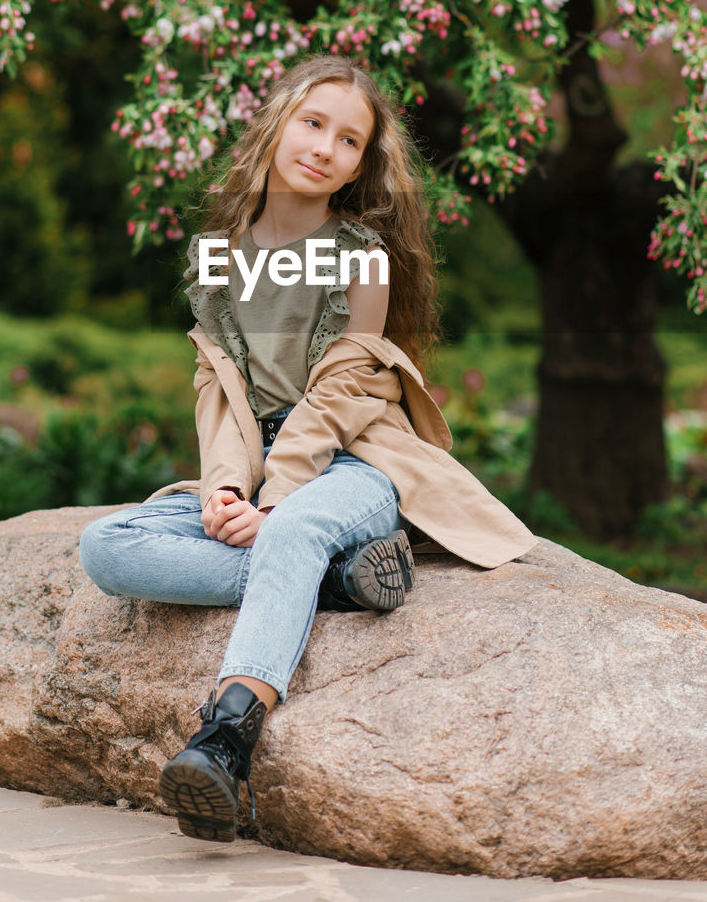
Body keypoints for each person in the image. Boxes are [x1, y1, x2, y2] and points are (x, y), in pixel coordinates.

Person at [79, 55, 536, 843]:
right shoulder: (221, 254)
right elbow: (217, 390)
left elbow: (337, 398)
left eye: (349, 140)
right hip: (259, 471)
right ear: (278, 123)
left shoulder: (360, 256)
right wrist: (226, 490)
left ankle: (225, 738)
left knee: (289, 531)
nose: (325, 147)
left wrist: (275, 503)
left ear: (362, 166)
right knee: (105, 546)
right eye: (313, 123)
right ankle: (333, 586)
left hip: (355, 466)